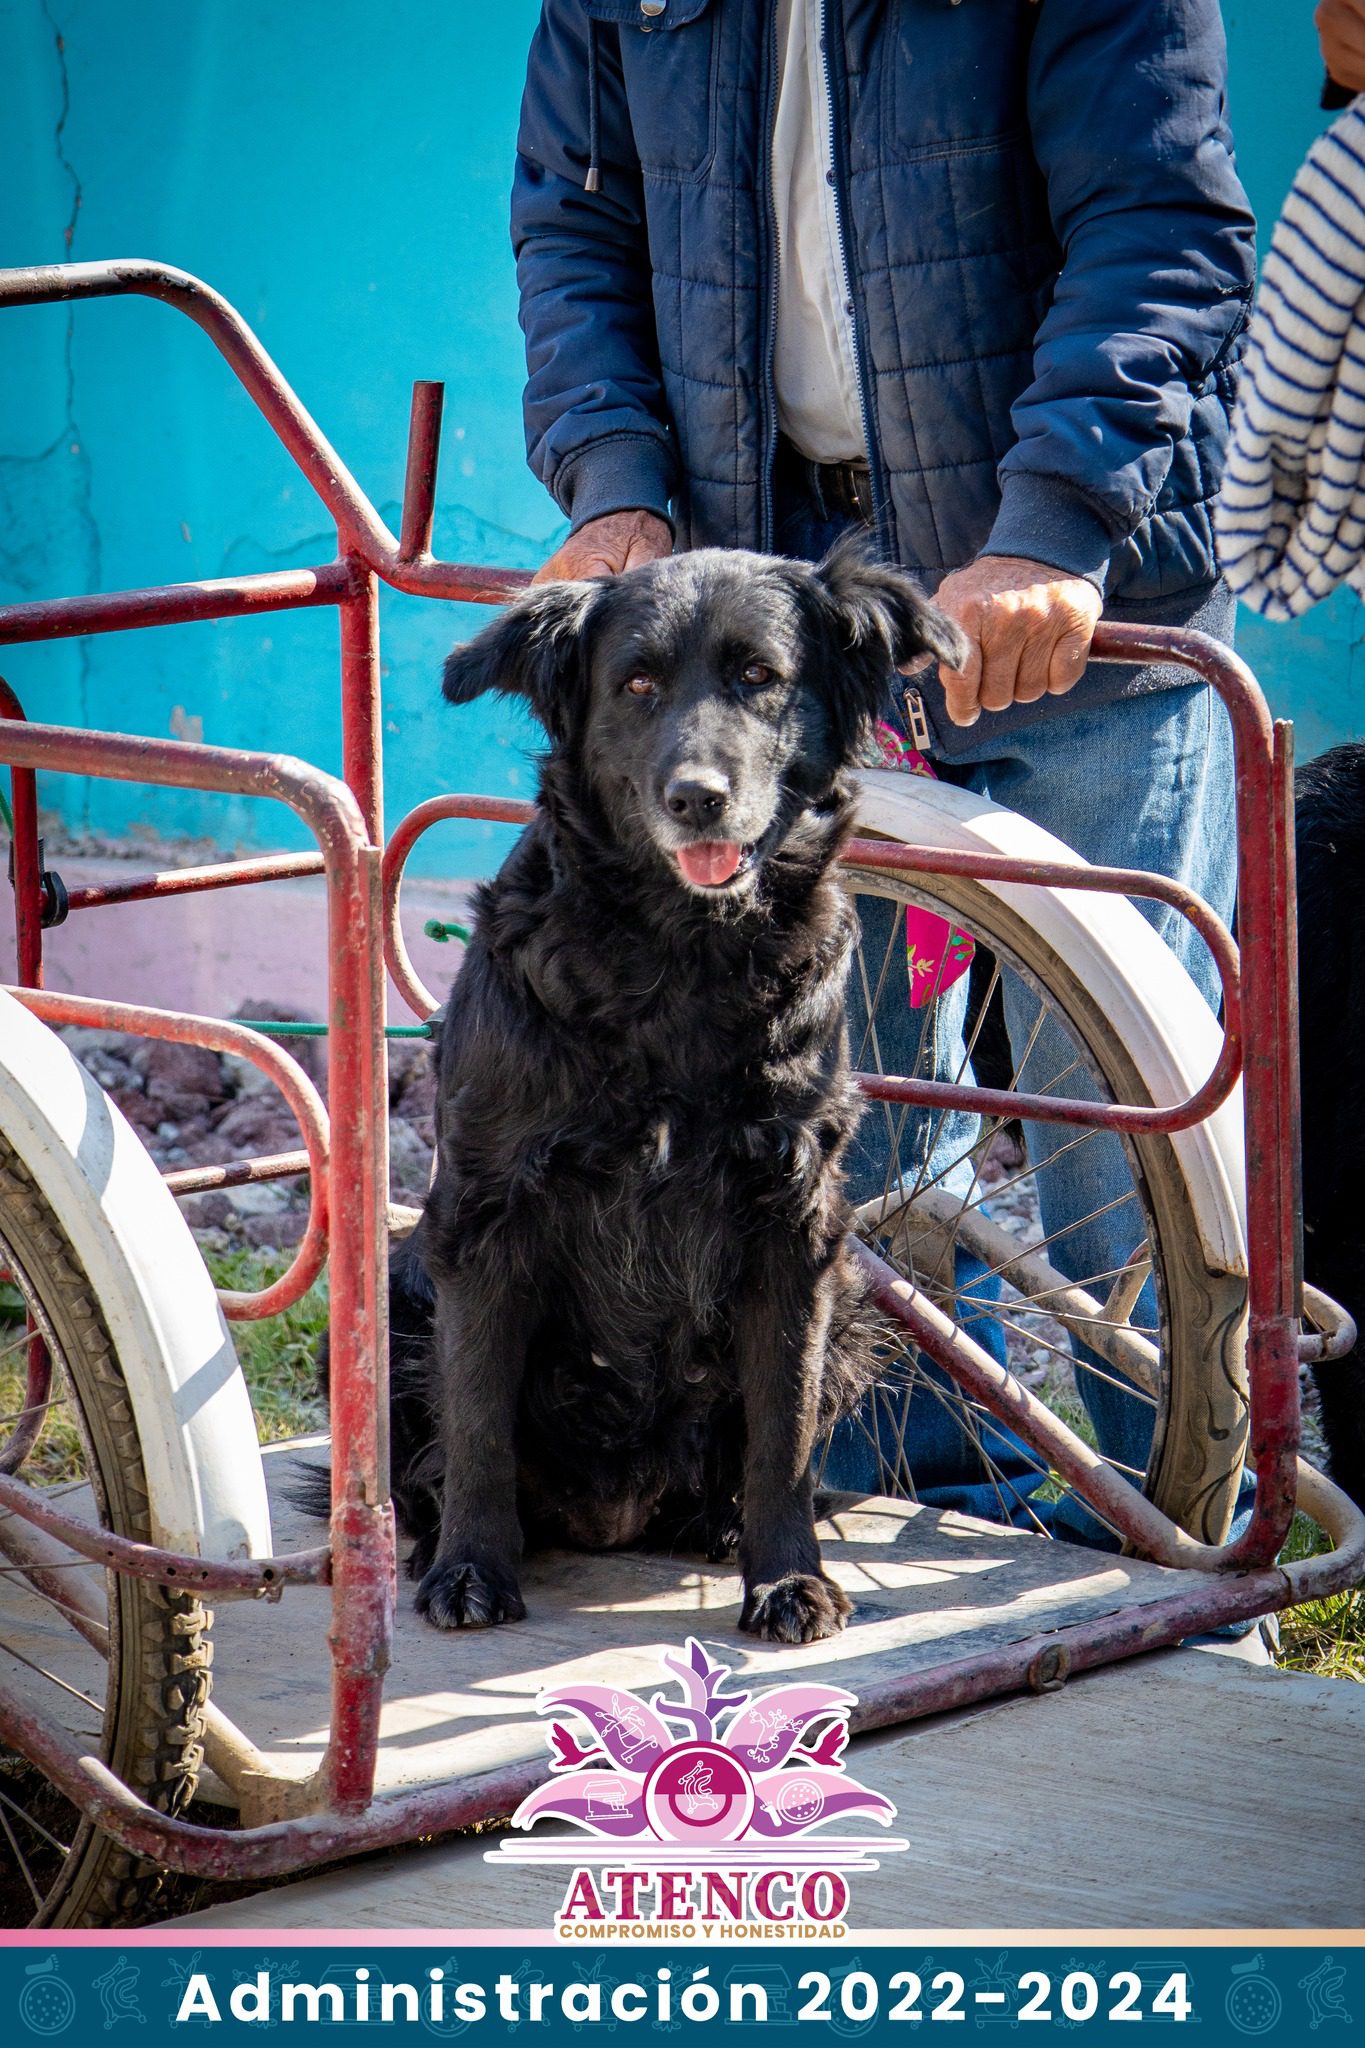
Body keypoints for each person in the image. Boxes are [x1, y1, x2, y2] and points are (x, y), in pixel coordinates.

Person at [507, 0, 1256, 1537]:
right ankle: (870, 1508)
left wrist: (1053, 521)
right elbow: (574, 233)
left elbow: (1157, 221)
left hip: (1061, 588)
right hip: (777, 607)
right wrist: (617, 485)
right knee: (827, 1114)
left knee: (1119, 1117)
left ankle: (1168, 1528)